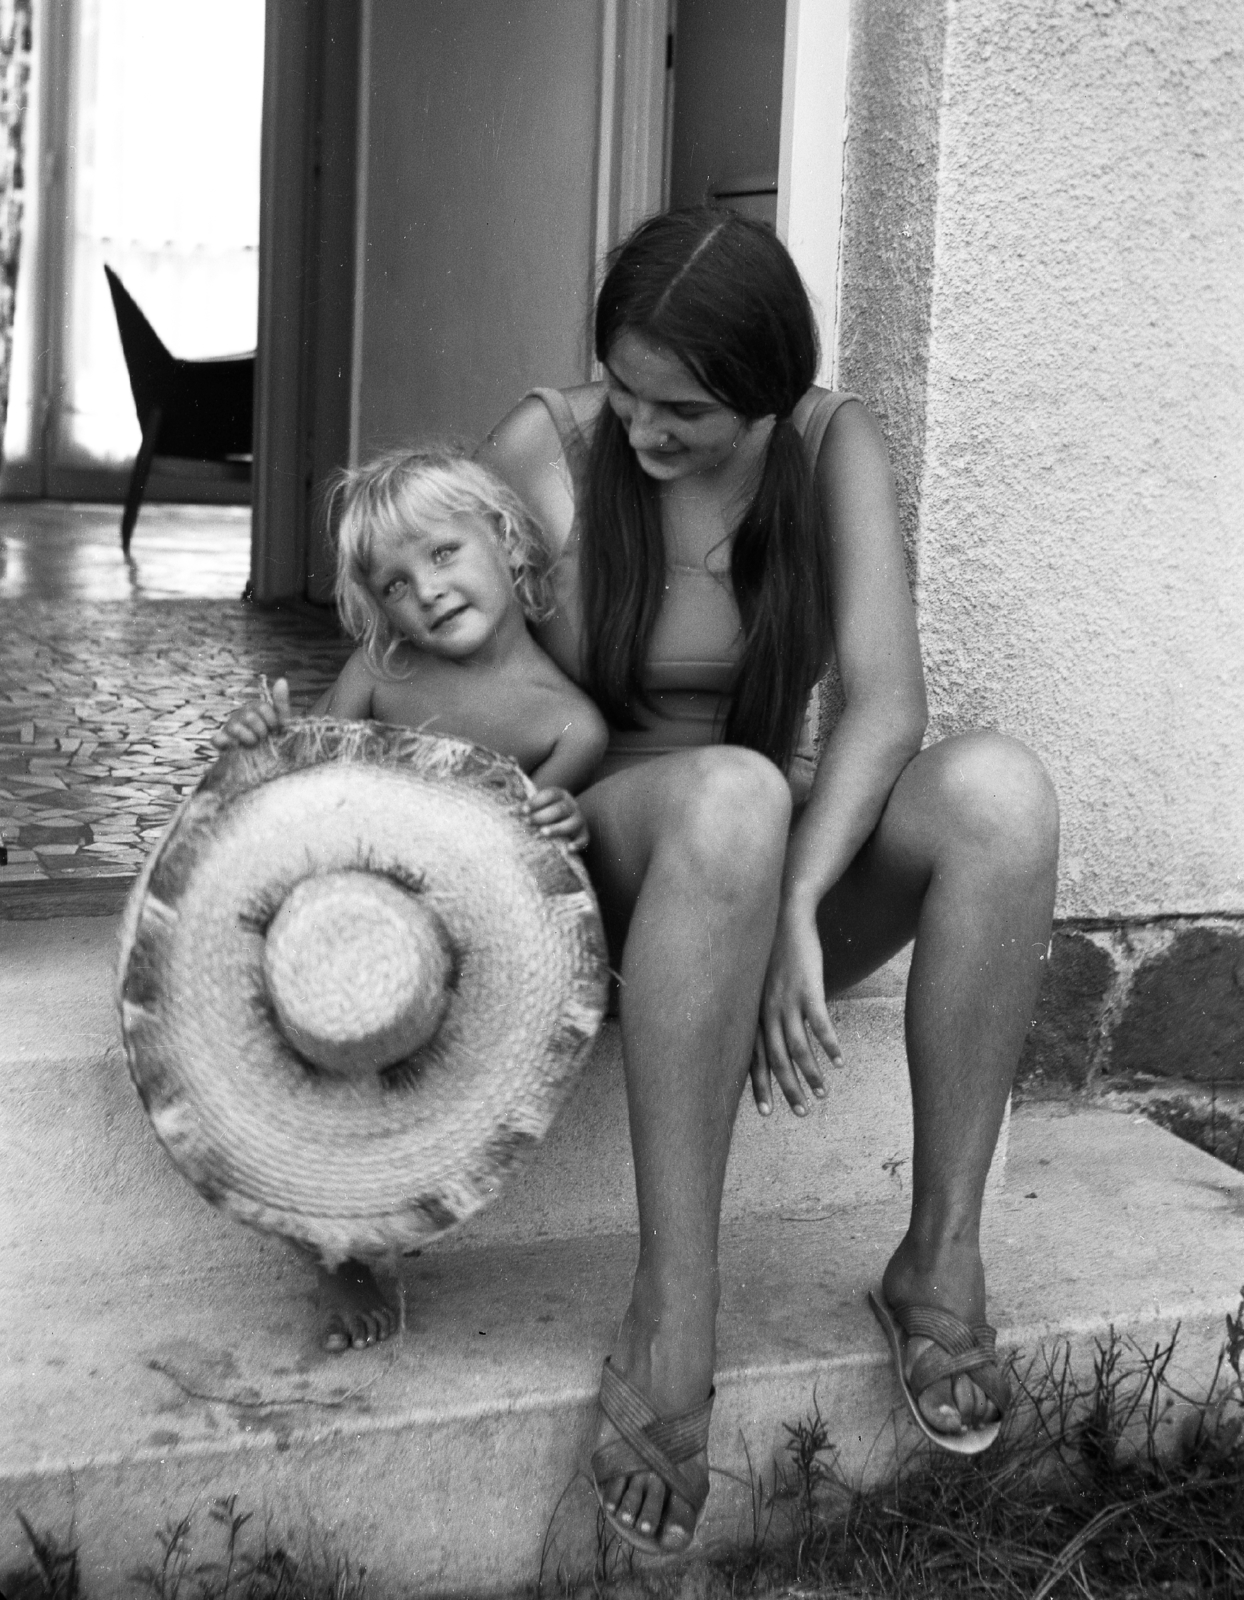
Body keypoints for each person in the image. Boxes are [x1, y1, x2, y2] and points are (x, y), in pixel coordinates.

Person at [479, 207, 1059, 1555]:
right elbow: (438, 666)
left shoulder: (826, 442)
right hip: (603, 876)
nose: (640, 429)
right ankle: (675, 1312)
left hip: (758, 878)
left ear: (766, 390)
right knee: (735, 788)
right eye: (621, 389)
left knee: (1002, 796)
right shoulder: (545, 450)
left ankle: (942, 1260)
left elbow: (884, 704)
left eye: (680, 409)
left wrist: (801, 902)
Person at [213, 445, 609, 1351]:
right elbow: (295, 780)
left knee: (405, 1055)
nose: (423, 591)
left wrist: (565, 822)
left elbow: (534, 869)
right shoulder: (382, 669)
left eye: (442, 554)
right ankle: (333, 1237)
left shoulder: (569, 723)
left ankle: (368, 1235)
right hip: (340, 907)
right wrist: (260, 740)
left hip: (452, 951)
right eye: (393, 583)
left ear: (507, 542)